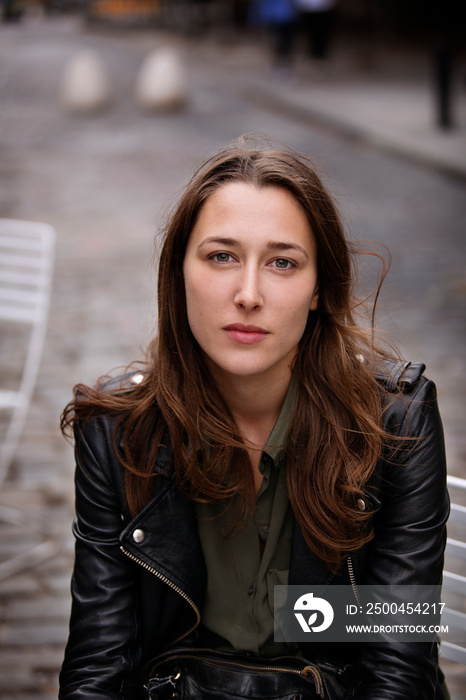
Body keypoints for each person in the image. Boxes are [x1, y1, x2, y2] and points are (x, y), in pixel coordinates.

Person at [59, 138, 450, 700]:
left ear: (318, 289)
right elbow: (99, 661)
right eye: (222, 256)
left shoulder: (394, 427)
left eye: (282, 263)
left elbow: (397, 666)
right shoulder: (119, 434)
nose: (248, 294)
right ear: (179, 274)